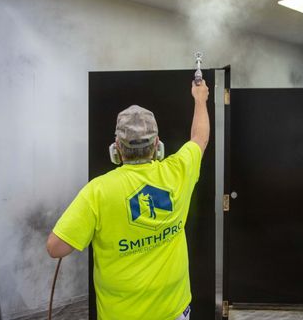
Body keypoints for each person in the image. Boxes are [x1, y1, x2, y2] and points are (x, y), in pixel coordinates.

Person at [46, 79, 210, 320]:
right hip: (175, 312)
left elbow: (55, 248)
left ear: (116, 149)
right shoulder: (177, 172)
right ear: (157, 145)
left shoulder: (98, 191)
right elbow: (199, 139)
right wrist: (200, 99)